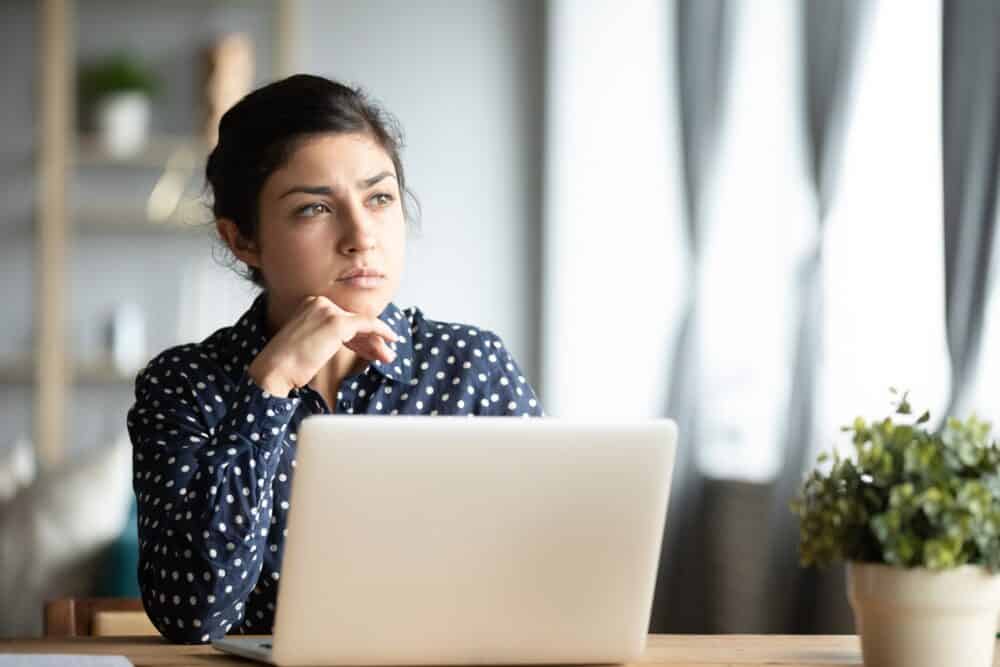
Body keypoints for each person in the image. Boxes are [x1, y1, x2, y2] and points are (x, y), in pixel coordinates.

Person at [126, 74, 544, 644]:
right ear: (242, 239)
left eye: (379, 197)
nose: (361, 236)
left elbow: (541, 572)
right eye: (314, 209)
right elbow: (193, 615)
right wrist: (269, 384)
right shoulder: (184, 384)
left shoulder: (471, 366)